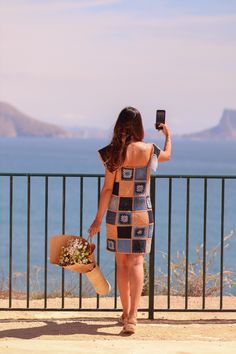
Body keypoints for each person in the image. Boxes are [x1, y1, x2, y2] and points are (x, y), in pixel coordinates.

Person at [88, 106, 172, 334]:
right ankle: (133, 317)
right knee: (137, 263)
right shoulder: (148, 150)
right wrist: (168, 136)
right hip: (142, 215)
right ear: (140, 126)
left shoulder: (112, 153)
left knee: (122, 264)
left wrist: (97, 219)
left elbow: (107, 189)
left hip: (117, 216)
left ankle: (125, 314)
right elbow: (167, 155)